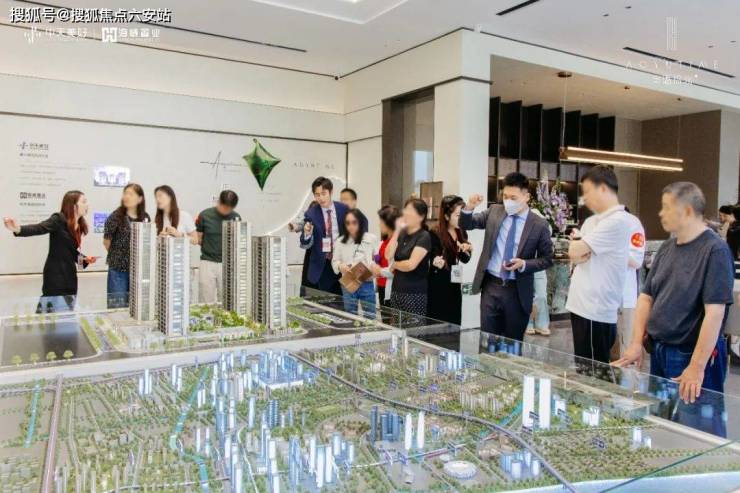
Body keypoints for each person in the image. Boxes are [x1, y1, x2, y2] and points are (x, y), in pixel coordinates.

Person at [614, 182, 733, 436]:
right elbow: (646, 297)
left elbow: (714, 313)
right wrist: (636, 342)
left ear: (687, 211)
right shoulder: (668, 248)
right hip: (660, 352)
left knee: (698, 433)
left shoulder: (714, 250)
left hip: (690, 355)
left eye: (667, 207)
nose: (661, 213)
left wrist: (697, 366)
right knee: (662, 428)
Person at [460, 172, 553, 341]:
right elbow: (467, 224)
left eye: (513, 198)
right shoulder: (495, 212)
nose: (508, 201)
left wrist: (524, 264)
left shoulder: (539, 224)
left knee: (512, 344)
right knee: (488, 341)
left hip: (517, 290)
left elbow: (547, 259)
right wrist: (469, 207)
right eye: (505, 196)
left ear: (526, 197)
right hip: (491, 286)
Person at [566, 166, 645, 364]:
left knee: (598, 367)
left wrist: (588, 250)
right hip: (580, 302)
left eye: (587, 192)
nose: (584, 198)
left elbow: (636, 259)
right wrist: (587, 250)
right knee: (583, 367)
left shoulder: (621, 221)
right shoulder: (591, 222)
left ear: (602, 189)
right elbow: (574, 254)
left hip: (599, 306)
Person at [3, 191, 96, 313]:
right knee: (49, 314)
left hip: (70, 277)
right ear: (73, 206)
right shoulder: (59, 219)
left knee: (65, 314)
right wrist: (18, 229)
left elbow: (71, 252)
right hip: (55, 276)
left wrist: (84, 260)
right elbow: (39, 228)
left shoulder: (78, 226)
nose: (87, 205)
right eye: (84, 202)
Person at [300, 177, 348, 295]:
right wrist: (307, 234)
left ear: (331, 192)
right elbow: (305, 243)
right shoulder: (311, 214)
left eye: (323, 193)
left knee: (341, 301)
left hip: (341, 262)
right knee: (324, 300)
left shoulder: (343, 209)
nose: (321, 198)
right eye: (317, 195)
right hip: (323, 264)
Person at [104, 183, 149, 308]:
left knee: (138, 307)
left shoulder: (145, 218)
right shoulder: (115, 217)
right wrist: (121, 256)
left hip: (139, 270)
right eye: (125, 193)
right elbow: (106, 242)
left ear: (140, 199)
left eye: (131, 194)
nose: (126, 197)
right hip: (118, 270)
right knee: (118, 307)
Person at [428, 195, 472, 325]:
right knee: (438, 324)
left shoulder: (461, 232)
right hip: (438, 285)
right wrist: (437, 261)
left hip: (454, 284)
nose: (462, 219)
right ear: (447, 216)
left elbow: (465, 259)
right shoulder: (435, 233)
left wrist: (468, 249)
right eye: (458, 215)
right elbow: (434, 257)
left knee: (454, 322)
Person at [385, 198, 432, 315]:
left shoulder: (424, 236)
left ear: (421, 216)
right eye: (405, 209)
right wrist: (397, 230)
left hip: (414, 293)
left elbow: (411, 265)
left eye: (410, 210)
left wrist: (394, 264)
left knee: (413, 325)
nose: (405, 213)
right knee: (396, 324)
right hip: (397, 290)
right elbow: (388, 255)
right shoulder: (401, 234)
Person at [195, 190, 241, 304]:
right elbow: (198, 238)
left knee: (228, 300)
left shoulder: (236, 218)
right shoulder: (205, 215)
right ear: (219, 202)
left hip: (228, 264)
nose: (226, 210)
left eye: (229, 208)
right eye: (224, 207)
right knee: (205, 299)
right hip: (207, 261)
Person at [331, 209, 380, 315]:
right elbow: (334, 261)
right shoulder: (340, 241)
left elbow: (378, 258)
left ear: (360, 222)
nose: (351, 226)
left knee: (370, 316)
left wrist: (375, 266)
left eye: (354, 222)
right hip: (348, 281)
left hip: (366, 281)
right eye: (348, 223)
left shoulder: (371, 238)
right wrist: (340, 266)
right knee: (350, 316)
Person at [526, 208, 551, 336]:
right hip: (525, 265)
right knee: (527, 296)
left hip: (539, 266)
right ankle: (528, 323)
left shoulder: (540, 219)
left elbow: (548, 233)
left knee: (541, 296)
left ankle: (542, 324)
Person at [376, 205, 401, 306]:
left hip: (391, 289)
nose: (379, 224)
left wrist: (379, 270)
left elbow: (395, 270)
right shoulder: (383, 242)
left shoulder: (396, 242)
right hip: (381, 285)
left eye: (381, 221)